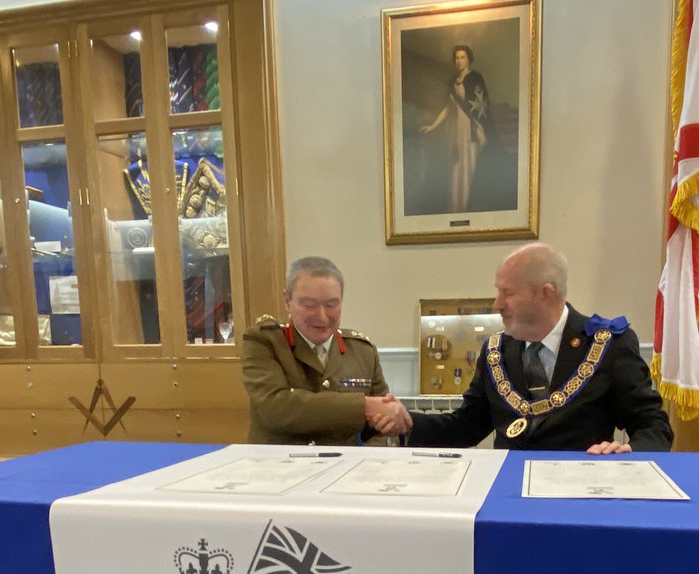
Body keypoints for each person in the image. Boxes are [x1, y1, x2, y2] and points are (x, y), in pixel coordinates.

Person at [408, 243, 673, 453]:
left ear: (545, 293)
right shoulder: (495, 351)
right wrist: (405, 422)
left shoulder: (608, 344)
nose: (497, 304)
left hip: (576, 499)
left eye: (507, 293)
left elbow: (652, 424)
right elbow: (466, 427)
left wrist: (630, 452)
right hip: (507, 499)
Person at [241, 256, 411, 445]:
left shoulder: (362, 351)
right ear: (288, 301)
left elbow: (383, 428)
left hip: (348, 468)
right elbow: (274, 408)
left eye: (331, 305)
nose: (322, 317)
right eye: (309, 305)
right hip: (281, 468)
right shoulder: (264, 342)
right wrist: (364, 406)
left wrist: (370, 458)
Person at [420, 44, 494, 214]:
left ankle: (470, 208)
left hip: (471, 131)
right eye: (457, 58)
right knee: (456, 169)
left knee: (470, 167)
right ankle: (456, 208)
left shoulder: (476, 78)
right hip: (456, 133)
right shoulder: (453, 83)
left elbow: (482, 107)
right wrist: (432, 126)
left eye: (463, 57)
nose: (459, 61)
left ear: (469, 59)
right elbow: (448, 108)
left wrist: (481, 128)